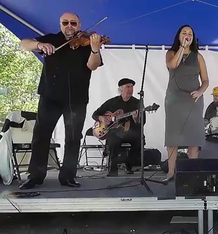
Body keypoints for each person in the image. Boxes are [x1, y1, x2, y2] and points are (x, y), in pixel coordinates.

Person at [19, 12, 104, 189]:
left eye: (73, 23)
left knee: (73, 138)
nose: (69, 26)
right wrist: (39, 44)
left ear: (79, 25)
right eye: (65, 23)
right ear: (60, 24)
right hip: (50, 96)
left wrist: (95, 49)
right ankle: (35, 176)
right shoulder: (51, 39)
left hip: (77, 98)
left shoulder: (87, 42)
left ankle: (68, 176)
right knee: (41, 136)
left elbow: (92, 65)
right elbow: (23, 44)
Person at [163, 25, 209, 182]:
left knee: (193, 138)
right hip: (174, 100)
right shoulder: (171, 53)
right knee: (173, 137)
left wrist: (200, 91)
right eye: (184, 33)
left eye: (190, 33)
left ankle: (192, 172)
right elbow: (173, 65)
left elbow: (205, 80)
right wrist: (182, 48)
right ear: (179, 36)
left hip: (193, 100)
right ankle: (171, 172)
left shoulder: (198, 57)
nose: (187, 35)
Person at [92, 78, 144, 176]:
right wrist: (102, 118)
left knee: (141, 140)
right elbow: (95, 114)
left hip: (131, 132)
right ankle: (113, 169)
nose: (130, 89)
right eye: (127, 87)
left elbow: (143, 122)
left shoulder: (137, 103)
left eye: (132, 87)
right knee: (113, 140)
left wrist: (136, 119)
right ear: (121, 89)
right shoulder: (112, 102)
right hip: (115, 132)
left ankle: (129, 163)